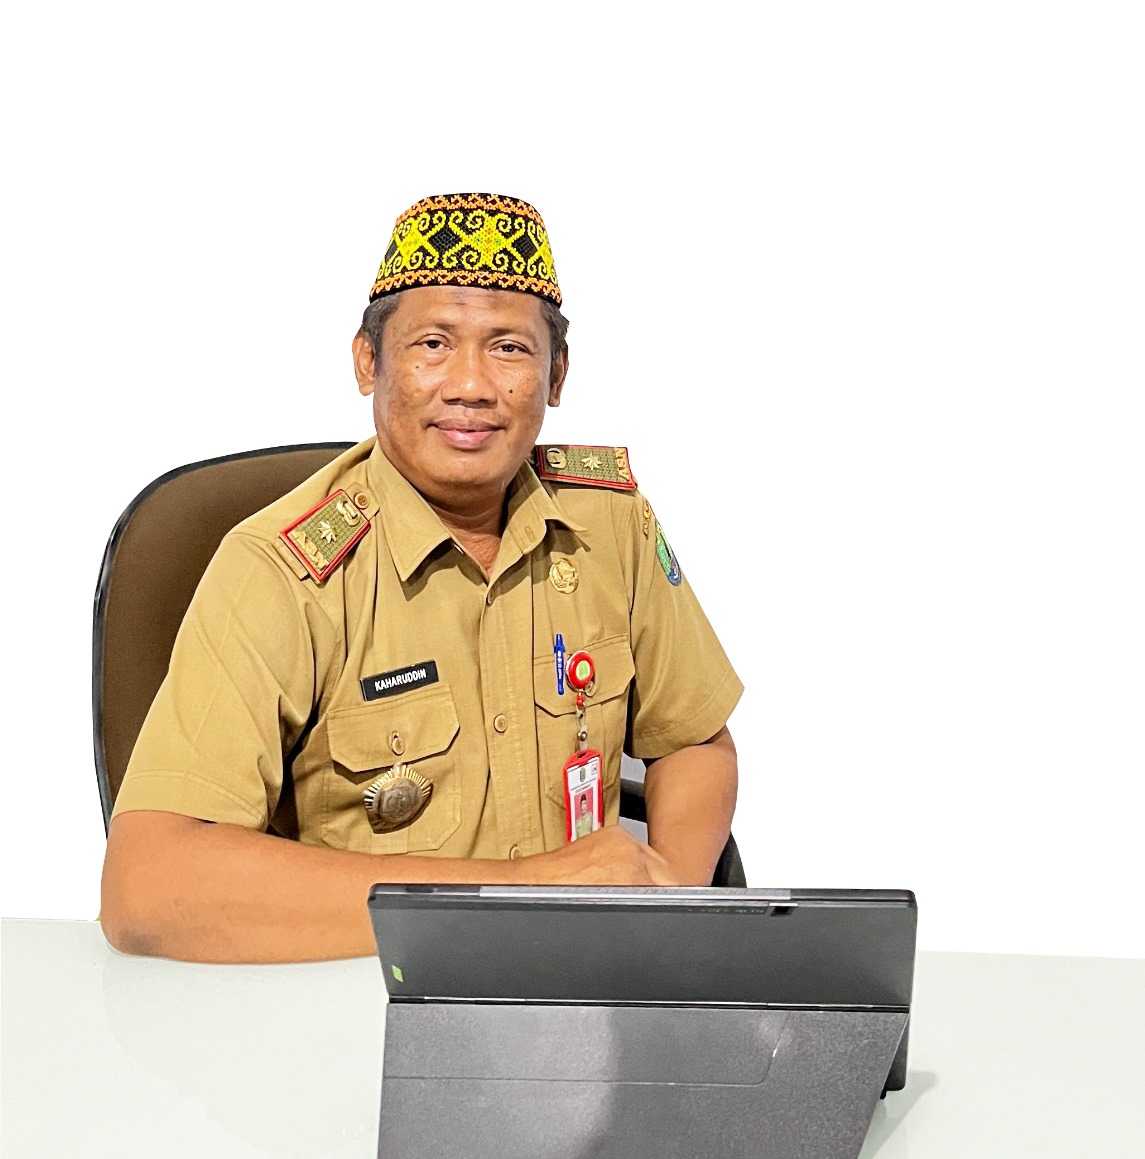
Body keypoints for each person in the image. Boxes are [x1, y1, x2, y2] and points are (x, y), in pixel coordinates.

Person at [101, 193, 742, 963]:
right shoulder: (281, 570)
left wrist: (668, 902)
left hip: (582, 975)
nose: (470, 385)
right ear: (367, 363)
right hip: (367, 987)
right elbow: (145, 888)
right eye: (432, 344)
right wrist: (527, 892)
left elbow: (693, 740)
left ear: (556, 373)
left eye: (508, 348)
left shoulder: (609, 523)